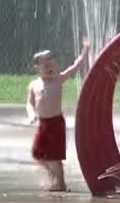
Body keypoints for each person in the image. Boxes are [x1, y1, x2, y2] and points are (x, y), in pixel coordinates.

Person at [26, 38, 90, 191]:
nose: (49, 68)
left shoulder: (58, 79)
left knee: (55, 157)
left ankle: (60, 184)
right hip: (43, 123)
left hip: (56, 123)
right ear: (37, 67)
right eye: (46, 65)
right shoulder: (34, 85)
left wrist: (85, 50)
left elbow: (75, 67)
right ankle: (53, 176)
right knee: (37, 154)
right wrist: (31, 115)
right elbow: (29, 103)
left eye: (51, 64)